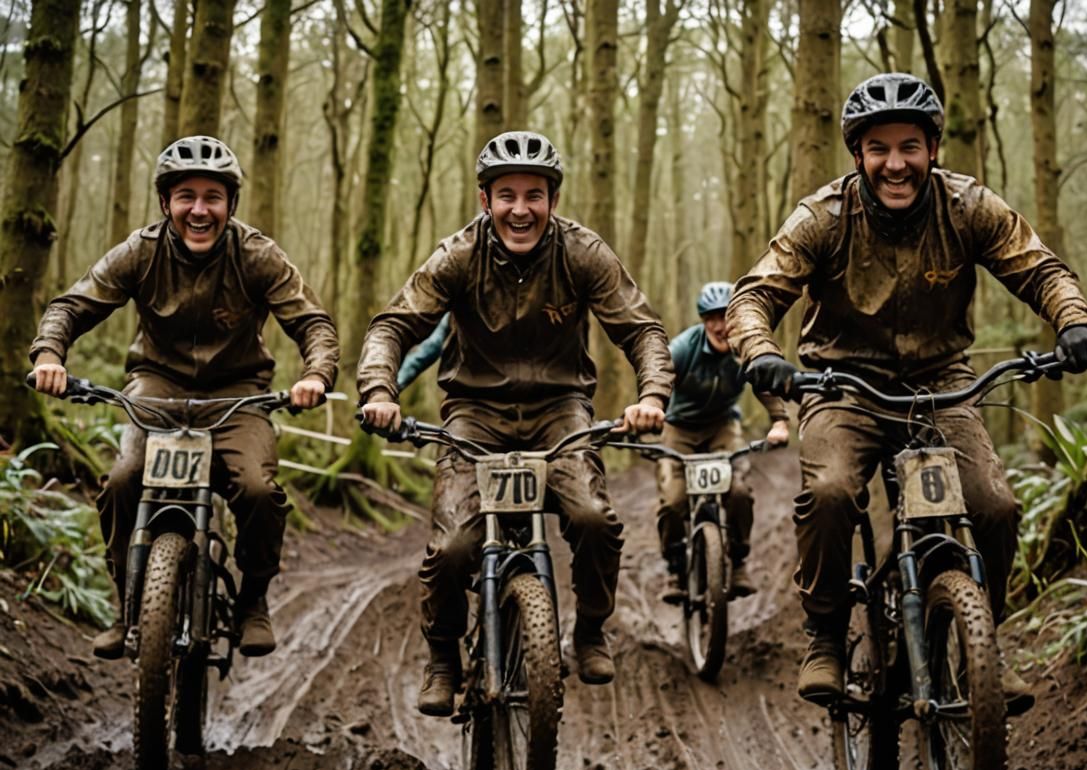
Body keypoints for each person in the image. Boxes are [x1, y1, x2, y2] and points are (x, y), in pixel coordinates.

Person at [728, 73, 1087, 713]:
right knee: (829, 492)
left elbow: (1038, 267)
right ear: (858, 156)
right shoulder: (822, 216)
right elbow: (754, 297)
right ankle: (823, 633)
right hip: (841, 384)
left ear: (932, 148)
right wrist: (761, 353)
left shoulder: (968, 206)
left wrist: (1073, 320)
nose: (895, 164)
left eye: (909, 146)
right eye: (879, 149)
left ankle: (985, 645)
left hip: (943, 385)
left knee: (994, 506)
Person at [358, 130, 673, 716]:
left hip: (561, 413)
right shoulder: (456, 256)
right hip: (473, 415)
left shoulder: (583, 253)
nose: (520, 209)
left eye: (535, 195)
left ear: (552, 199)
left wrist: (651, 395)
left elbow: (643, 331)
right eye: (507, 195)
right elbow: (392, 326)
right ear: (486, 200)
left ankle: (590, 632)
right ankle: (444, 656)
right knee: (452, 545)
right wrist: (381, 389)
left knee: (594, 518)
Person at [29, 135, 340, 660]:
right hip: (157, 386)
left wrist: (317, 373)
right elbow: (71, 305)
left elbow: (312, 322)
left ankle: (253, 602)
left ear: (230, 205)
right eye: (186, 196)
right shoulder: (141, 251)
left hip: (238, 393)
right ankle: (125, 603)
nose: (200, 210)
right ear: (166, 202)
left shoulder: (257, 254)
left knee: (259, 491)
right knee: (123, 481)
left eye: (212, 197)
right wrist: (48, 356)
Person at [656, 282, 790, 604]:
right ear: (703, 321)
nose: (720, 326)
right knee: (673, 500)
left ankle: (739, 561)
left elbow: (764, 384)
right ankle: (675, 569)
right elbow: (659, 377)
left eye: (726, 316)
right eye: (711, 318)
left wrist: (780, 421)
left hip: (723, 427)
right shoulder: (683, 348)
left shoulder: (743, 349)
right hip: (679, 429)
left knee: (740, 491)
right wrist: (650, 410)